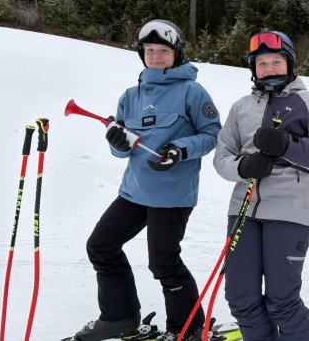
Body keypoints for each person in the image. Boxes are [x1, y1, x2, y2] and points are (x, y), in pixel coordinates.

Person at [71, 19, 221, 341]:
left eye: (162, 51)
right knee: (101, 246)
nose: (155, 56)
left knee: (163, 261)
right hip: (134, 191)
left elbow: (212, 134)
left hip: (172, 195)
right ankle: (119, 317)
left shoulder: (192, 92)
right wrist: (117, 143)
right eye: (149, 50)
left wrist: (179, 149)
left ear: (176, 54)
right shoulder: (130, 96)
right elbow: (122, 150)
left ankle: (188, 329)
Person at [212, 31, 309, 341]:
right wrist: (243, 166)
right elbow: (221, 158)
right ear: (253, 68)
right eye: (262, 63)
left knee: (282, 302)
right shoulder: (241, 107)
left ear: (290, 64)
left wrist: (287, 146)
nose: (269, 68)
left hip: (290, 211)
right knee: (240, 298)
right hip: (243, 211)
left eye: (276, 61)